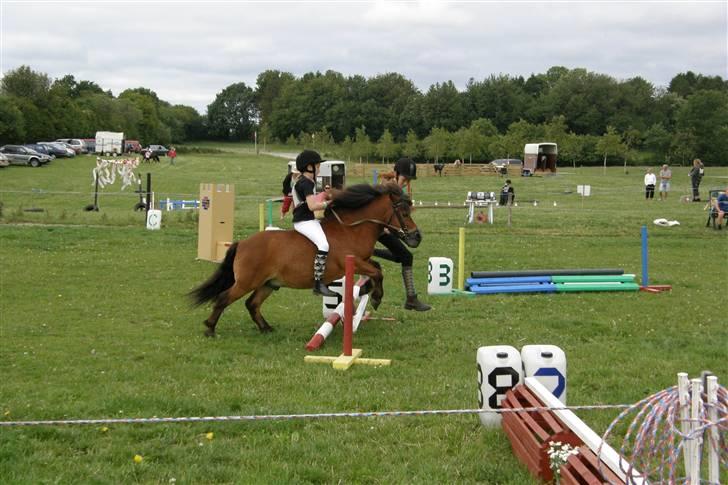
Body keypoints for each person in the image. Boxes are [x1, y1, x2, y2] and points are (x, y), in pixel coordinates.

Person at [373, 157, 430, 311]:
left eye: (408, 180)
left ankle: (411, 299)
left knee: (403, 256)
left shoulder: (397, 190)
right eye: (405, 179)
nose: (405, 183)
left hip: (387, 230)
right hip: (378, 230)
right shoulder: (386, 187)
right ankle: (411, 298)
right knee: (406, 257)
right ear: (396, 173)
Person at [291, 149, 336, 297]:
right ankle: (318, 283)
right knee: (324, 245)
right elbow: (312, 206)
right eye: (317, 166)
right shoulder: (307, 183)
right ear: (309, 167)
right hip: (304, 222)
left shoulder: (304, 181)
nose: (319, 168)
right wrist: (328, 204)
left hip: (307, 219)